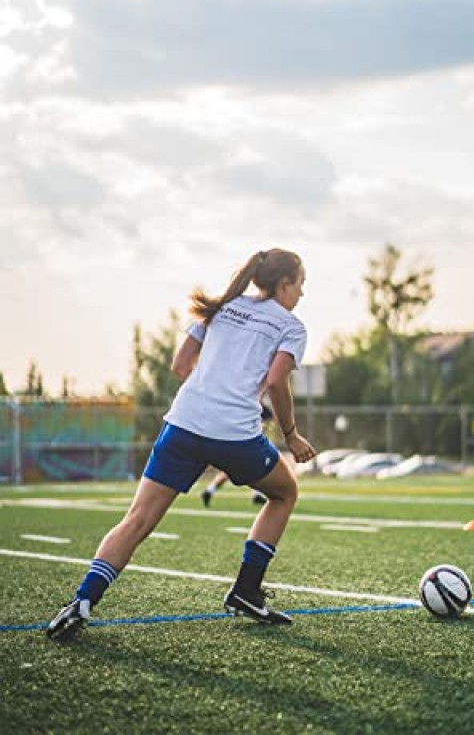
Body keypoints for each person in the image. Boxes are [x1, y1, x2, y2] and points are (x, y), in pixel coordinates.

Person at [46, 248, 317, 641]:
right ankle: (245, 590)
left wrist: (209, 390)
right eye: (301, 284)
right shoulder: (291, 325)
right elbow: (277, 383)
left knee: (136, 521)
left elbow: (179, 365)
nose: (302, 294)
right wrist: (291, 435)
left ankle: (81, 602)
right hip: (234, 434)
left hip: (183, 424)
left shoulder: (221, 306)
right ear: (285, 283)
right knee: (285, 491)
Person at [201, 405, 275, 507]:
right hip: (242, 443)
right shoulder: (246, 406)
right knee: (247, 468)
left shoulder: (249, 407)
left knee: (240, 469)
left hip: (237, 442)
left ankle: (210, 490)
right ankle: (210, 490)